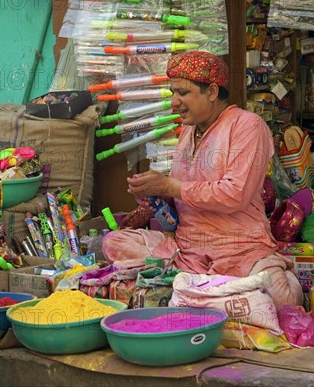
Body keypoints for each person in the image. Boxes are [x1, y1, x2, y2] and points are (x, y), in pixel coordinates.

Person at [103, 51, 302, 308]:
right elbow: (183, 192)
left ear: (211, 91)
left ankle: (195, 289)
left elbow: (236, 194)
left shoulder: (248, 126)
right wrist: (156, 196)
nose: (175, 103)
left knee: (283, 300)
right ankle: (208, 288)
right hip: (188, 250)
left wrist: (169, 186)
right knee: (114, 242)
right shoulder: (188, 132)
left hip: (240, 249)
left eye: (183, 93)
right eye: (173, 93)